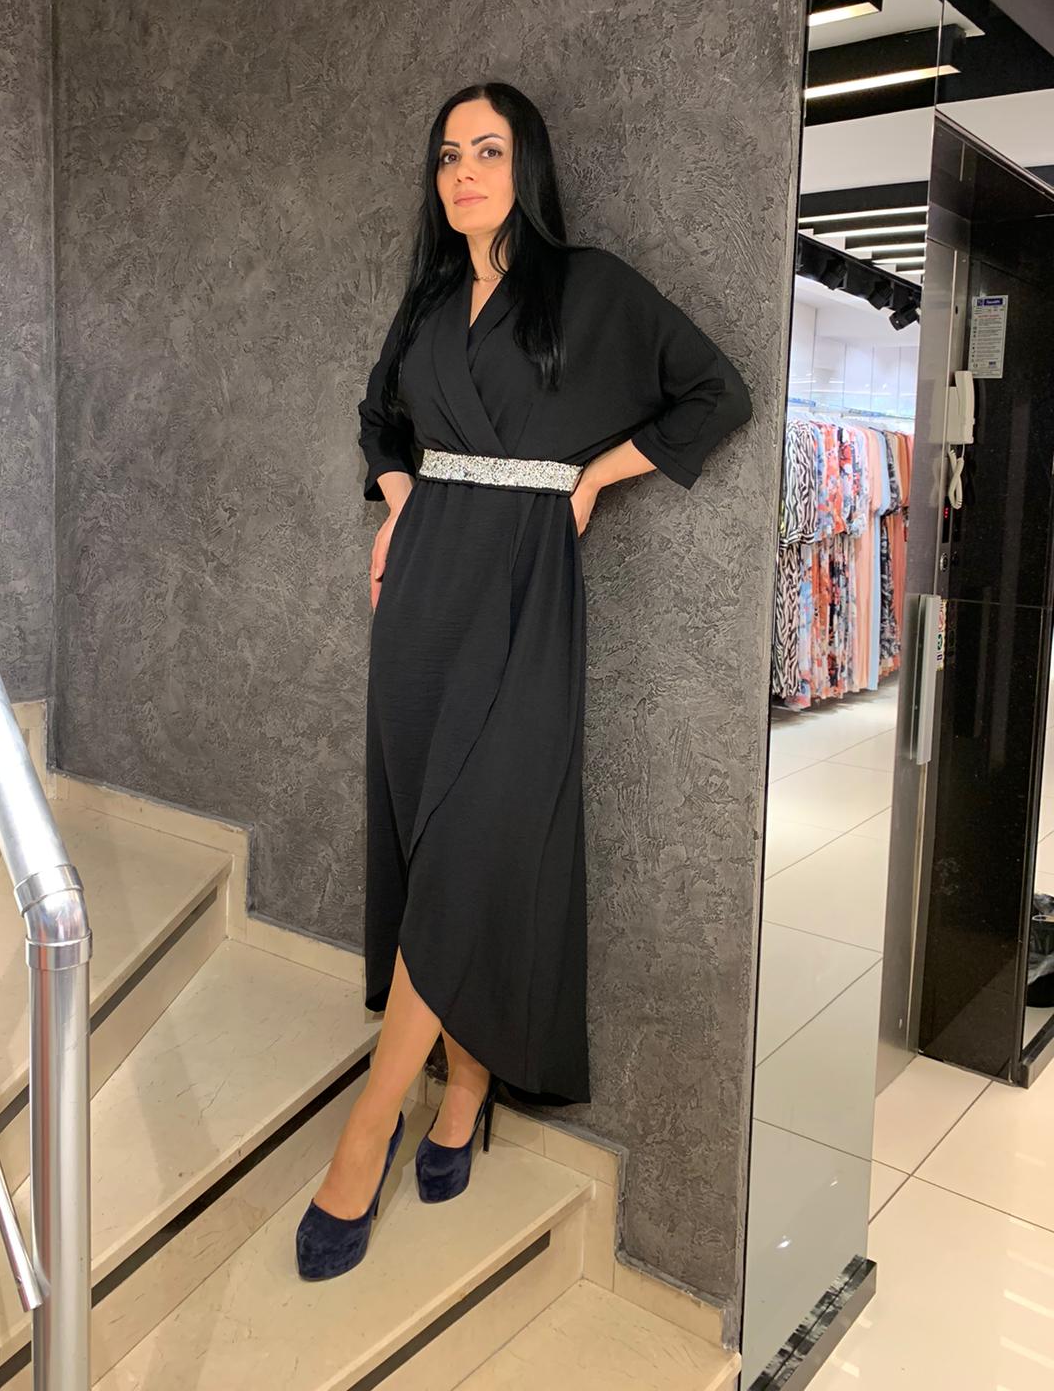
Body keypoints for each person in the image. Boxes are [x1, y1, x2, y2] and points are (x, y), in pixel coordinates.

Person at [295, 80, 753, 1280]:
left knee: (477, 839)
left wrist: (595, 474)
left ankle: (368, 1127)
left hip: (523, 589)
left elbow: (718, 389)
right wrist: (400, 504)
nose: (464, 173)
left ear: (526, 164)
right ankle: (466, 1084)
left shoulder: (586, 287)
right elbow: (379, 420)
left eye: (488, 151)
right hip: (424, 590)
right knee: (426, 837)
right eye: (449, 155)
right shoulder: (428, 299)